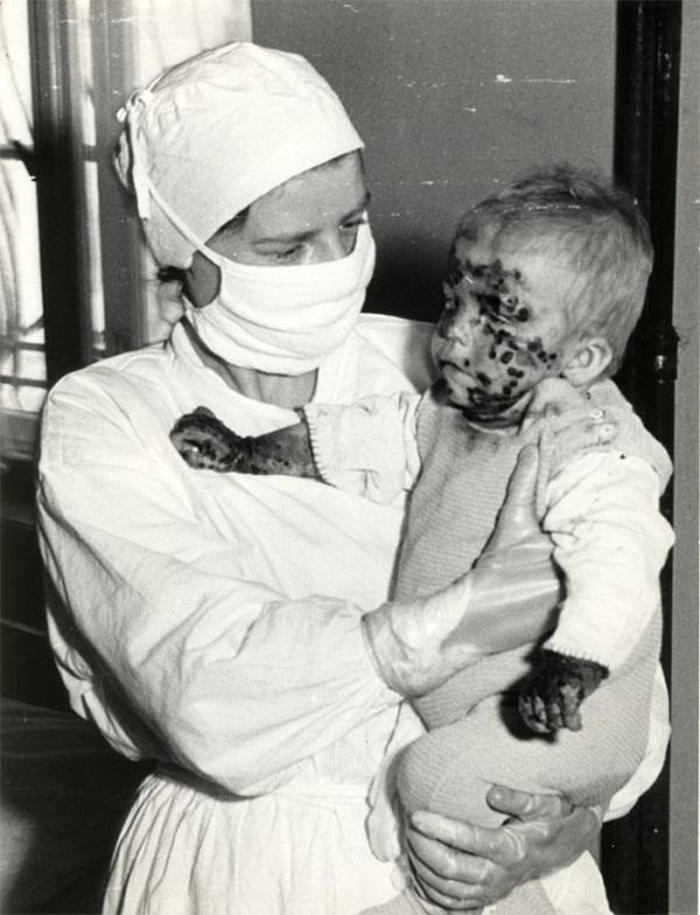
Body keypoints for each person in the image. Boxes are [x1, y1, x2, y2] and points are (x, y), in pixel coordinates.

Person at [35, 43, 669, 915]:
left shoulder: (451, 366)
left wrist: (558, 827)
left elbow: (628, 680)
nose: (335, 263)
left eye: (351, 224)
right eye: (289, 245)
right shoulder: (107, 415)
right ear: (184, 251)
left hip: (489, 845)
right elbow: (203, 686)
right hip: (252, 863)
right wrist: (458, 619)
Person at [172, 165, 675, 915]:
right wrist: (250, 450)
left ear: (583, 361)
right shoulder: (455, 406)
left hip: (571, 709)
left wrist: (570, 666)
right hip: (469, 696)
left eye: (498, 315)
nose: (455, 335)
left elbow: (621, 559)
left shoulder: (591, 443)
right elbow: (365, 440)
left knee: (434, 781)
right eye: (453, 300)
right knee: (422, 772)